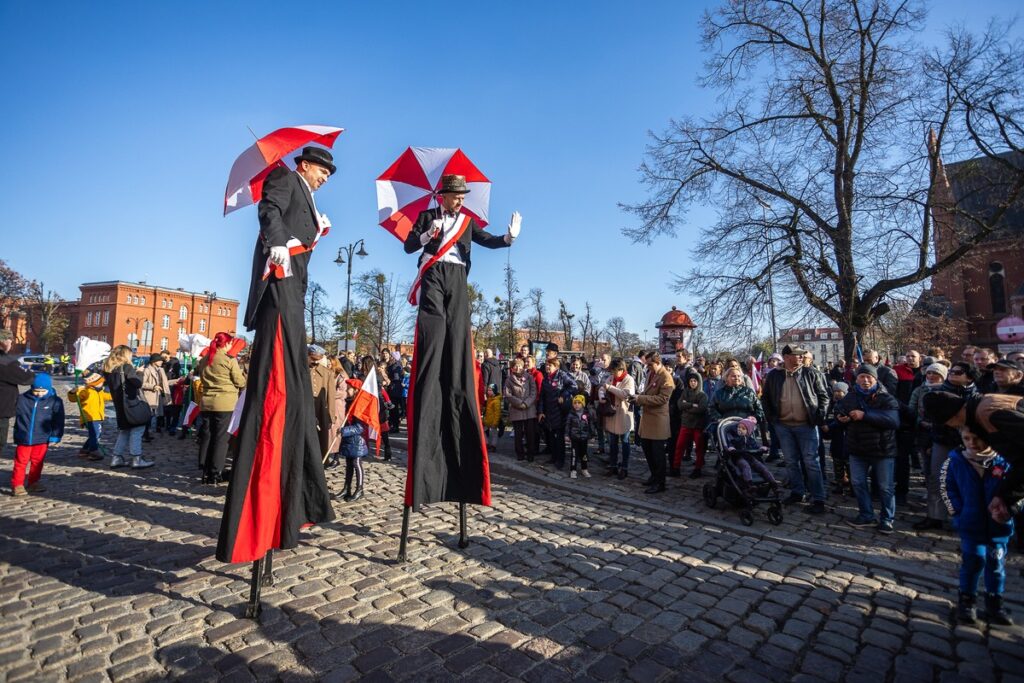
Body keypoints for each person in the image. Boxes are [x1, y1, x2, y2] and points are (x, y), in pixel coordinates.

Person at [219, 146, 337, 564]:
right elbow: (269, 212)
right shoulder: (285, 179)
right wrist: (277, 243)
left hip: (295, 289)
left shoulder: (307, 194)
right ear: (305, 164)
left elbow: (293, 232)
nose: (325, 177)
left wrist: (314, 233)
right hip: (279, 286)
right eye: (323, 170)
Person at [401, 174, 520, 512]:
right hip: (434, 273)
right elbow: (409, 246)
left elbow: (487, 240)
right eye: (456, 196)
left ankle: (454, 364)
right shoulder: (427, 216)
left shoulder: (467, 222)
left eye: (463, 196)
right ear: (444, 195)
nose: (460, 201)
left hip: (457, 275)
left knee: (457, 327)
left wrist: (509, 237)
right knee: (435, 326)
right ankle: (432, 361)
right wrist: (428, 234)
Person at [943, 426, 1014, 625]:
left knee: (996, 564)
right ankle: (967, 599)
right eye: (967, 438)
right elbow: (946, 488)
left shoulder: (1004, 461)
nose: (972, 443)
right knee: (973, 561)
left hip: (998, 526)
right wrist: (957, 512)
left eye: (977, 438)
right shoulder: (955, 461)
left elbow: (1018, 490)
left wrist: (1010, 509)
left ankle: (994, 601)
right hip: (970, 523)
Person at [761, 344, 830, 514]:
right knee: (791, 461)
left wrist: (819, 417)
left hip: (806, 426)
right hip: (783, 426)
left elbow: (824, 397)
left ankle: (818, 498)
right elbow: (766, 398)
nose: (800, 357)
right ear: (786, 357)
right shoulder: (774, 376)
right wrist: (772, 419)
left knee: (811, 462)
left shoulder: (812, 373)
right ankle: (797, 492)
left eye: (801, 355)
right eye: (796, 354)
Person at [914, 361, 979, 531]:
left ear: (969, 377)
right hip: (941, 440)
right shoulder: (937, 392)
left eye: (959, 372)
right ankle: (935, 516)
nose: (953, 374)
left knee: (968, 481)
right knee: (937, 479)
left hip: (969, 443)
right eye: (952, 371)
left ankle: (968, 518)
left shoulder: (976, 394)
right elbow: (926, 419)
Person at [836, 365, 900, 533]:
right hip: (857, 448)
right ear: (856, 379)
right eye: (861, 377)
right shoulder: (850, 397)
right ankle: (866, 515)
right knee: (858, 483)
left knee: (885, 487)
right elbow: (840, 410)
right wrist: (841, 417)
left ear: (875, 379)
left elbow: (893, 421)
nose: (865, 380)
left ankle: (887, 519)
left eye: (868, 377)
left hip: (882, 449)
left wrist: (865, 415)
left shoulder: (886, 398)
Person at [197, 333, 246, 485]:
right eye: (230, 343)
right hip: (225, 403)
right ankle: (215, 472)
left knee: (207, 436)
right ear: (226, 344)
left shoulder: (205, 359)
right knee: (221, 439)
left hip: (206, 402)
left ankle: (205, 469)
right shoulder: (228, 359)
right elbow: (240, 381)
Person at [10, 373, 63, 496]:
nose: (39, 393)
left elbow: (59, 420)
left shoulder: (54, 401)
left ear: (48, 389)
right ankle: (17, 484)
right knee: (20, 462)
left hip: (42, 438)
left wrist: (56, 435)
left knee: (37, 462)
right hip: (24, 437)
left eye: (42, 391)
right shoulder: (22, 399)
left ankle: (34, 482)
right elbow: (10, 408)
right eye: (36, 390)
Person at [103, 345, 153, 469]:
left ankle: (116, 457)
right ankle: (136, 459)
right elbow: (137, 383)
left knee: (124, 431)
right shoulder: (126, 367)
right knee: (137, 429)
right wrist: (140, 373)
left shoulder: (109, 369)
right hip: (130, 404)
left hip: (119, 405)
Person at [635, 352, 675, 494]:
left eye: (650, 364)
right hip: (647, 419)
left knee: (658, 454)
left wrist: (640, 399)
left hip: (658, 421)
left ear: (658, 362)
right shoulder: (651, 373)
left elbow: (663, 399)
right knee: (647, 450)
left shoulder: (666, 377)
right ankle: (654, 476)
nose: (648, 366)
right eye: (647, 364)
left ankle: (660, 482)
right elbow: (647, 392)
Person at [0, 330, 35, 455]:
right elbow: (27, 379)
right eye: (10, 341)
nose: (11, 344)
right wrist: (31, 371)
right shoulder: (5, 361)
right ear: (4, 341)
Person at [538, 358, 576, 469]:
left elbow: (574, 386)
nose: (547, 367)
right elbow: (542, 397)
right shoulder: (546, 379)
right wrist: (541, 411)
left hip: (560, 411)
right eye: (546, 365)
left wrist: (564, 395)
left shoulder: (562, 375)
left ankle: (560, 460)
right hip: (549, 412)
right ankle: (553, 457)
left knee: (559, 438)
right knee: (551, 437)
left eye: (550, 365)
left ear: (556, 366)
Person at [724, 417, 778, 494]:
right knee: (745, 466)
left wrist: (761, 448)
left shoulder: (750, 439)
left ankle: (773, 483)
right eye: (739, 427)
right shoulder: (734, 438)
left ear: (748, 431)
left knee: (762, 467)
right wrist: (731, 448)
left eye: (743, 428)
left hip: (750, 457)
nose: (740, 429)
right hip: (739, 458)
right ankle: (749, 484)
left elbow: (755, 446)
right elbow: (730, 444)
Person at [602, 358, 636, 479]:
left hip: (623, 415)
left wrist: (610, 388)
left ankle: (624, 468)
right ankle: (613, 466)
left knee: (625, 442)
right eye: (612, 371)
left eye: (615, 371)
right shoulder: (611, 378)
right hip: (612, 414)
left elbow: (625, 394)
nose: (613, 373)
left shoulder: (629, 379)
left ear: (621, 370)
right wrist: (602, 396)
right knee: (612, 443)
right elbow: (603, 388)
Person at [338, 379, 370, 502]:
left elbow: (360, 427)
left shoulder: (360, 406)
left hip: (357, 442)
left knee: (357, 464)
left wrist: (344, 431)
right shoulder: (351, 402)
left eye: (349, 388)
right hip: (349, 441)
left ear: (356, 390)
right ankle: (347, 488)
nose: (347, 391)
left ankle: (360, 489)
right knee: (349, 465)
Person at [673, 368, 708, 479]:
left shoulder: (702, 395)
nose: (693, 383)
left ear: (698, 382)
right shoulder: (685, 392)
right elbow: (680, 405)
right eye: (691, 381)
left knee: (699, 448)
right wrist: (692, 405)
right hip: (686, 423)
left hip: (697, 425)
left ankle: (698, 468)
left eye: (695, 381)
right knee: (679, 446)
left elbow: (701, 408)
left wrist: (687, 406)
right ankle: (676, 467)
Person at [67, 371, 110, 461]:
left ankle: (84, 450)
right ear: (94, 383)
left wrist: (116, 395)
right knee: (95, 434)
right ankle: (93, 451)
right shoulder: (86, 391)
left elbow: (107, 396)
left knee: (93, 435)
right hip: (90, 417)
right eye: (101, 382)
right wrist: (72, 392)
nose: (103, 383)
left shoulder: (99, 391)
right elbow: (74, 398)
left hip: (97, 417)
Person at [504, 357, 538, 461]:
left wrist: (526, 403)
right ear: (512, 368)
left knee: (530, 433)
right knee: (518, 434)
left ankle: (530, 454)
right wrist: (519, 403)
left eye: (519, 365)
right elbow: (507, 394)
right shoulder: (509, 379)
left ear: (523, 366)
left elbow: (533, 392)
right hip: (516, 409)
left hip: (529, 409)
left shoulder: (529, 377)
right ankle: (520, 453)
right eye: (515, 366)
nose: (517, 368)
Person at [308, 345, 336, 462]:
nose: (315, 362)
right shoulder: (302, 370)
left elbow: (331, 396)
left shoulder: (327, 373)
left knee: (322, 436)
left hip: (321, 408)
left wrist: (331, 416)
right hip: (307, 406)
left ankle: (322, 461)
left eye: (317, 359)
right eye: (313, 359)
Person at [821, 382, 849, 495]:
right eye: (835, 391)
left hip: (846, 439)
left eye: (840, 391)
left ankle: (851, 485)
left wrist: (829, 426)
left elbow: (840, 421)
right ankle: (839, 484)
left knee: (848, 464)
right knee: (837, 464)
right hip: (836, 440)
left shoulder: (847, 404)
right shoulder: (834, 403)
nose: (837, 393)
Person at [565, 394, 594, 479]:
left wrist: (592, 436)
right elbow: (567, 425)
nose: (577, 405)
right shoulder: (571, 414)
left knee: (584, 455)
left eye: (579, 403)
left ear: (583, 404)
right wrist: (566, 435)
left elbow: (591, 425)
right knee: (574, 454)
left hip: (584, 438)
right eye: (575, 403)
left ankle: (584, 469)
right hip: (574, 438)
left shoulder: (587, 414)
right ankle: (573, 470)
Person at [482, 384, 502, 448]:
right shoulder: (489, 399)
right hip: (487, 420)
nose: (488, 392)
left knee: (494, 434)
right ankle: (486, 443)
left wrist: (495, 422)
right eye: (488, 390)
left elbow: (497, 413)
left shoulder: (496, 401)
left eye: (490, 390)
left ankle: (493, 445)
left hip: (493, 421)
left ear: (494, 391)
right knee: (482, 431)